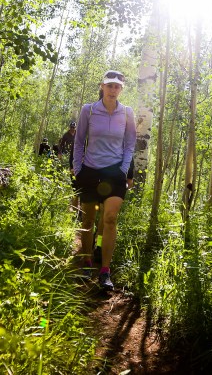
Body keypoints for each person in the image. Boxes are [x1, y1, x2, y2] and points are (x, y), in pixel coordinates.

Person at [73, 70, 136, 291]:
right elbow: (79, 141)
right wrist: (78, 169)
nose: (113, 89)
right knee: (88, 222)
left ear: (121, 89)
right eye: (109, 85)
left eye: (117, 86)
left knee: (109, 218)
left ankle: (105, 271)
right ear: (102, 86)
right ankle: (87, 261)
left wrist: (124, 169)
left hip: (114, 172)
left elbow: (130, 145)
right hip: (89, 171)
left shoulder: (127, 113)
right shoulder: (88, 111)